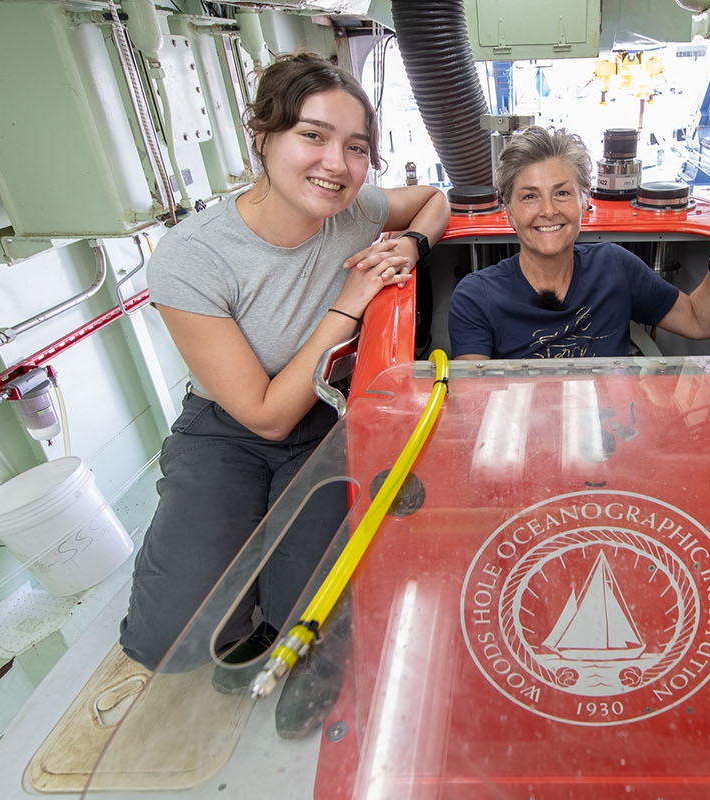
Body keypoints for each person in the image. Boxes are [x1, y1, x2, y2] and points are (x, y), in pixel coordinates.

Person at [119, 53, 449, 735]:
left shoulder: (355, 211)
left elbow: (433, 199)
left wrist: (412, 244)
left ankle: (282, 618)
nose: (336, 162)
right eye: (313, 135)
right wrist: (353, 301)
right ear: (262, 137)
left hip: (326, 422)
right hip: (234, 429)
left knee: (311, 602)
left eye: (356, 147)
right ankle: (233, 600)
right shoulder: (193, 257)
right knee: (171, 643)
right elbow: (265, 416)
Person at [448, 126, 710, 359]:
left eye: (562, 193)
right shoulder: (476, 297)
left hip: (609, 438)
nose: (548, 211)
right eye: (530, 196)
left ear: (585, 203)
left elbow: (700, 321)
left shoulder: (614, 266)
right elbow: (477, 403)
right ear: (509, 212)